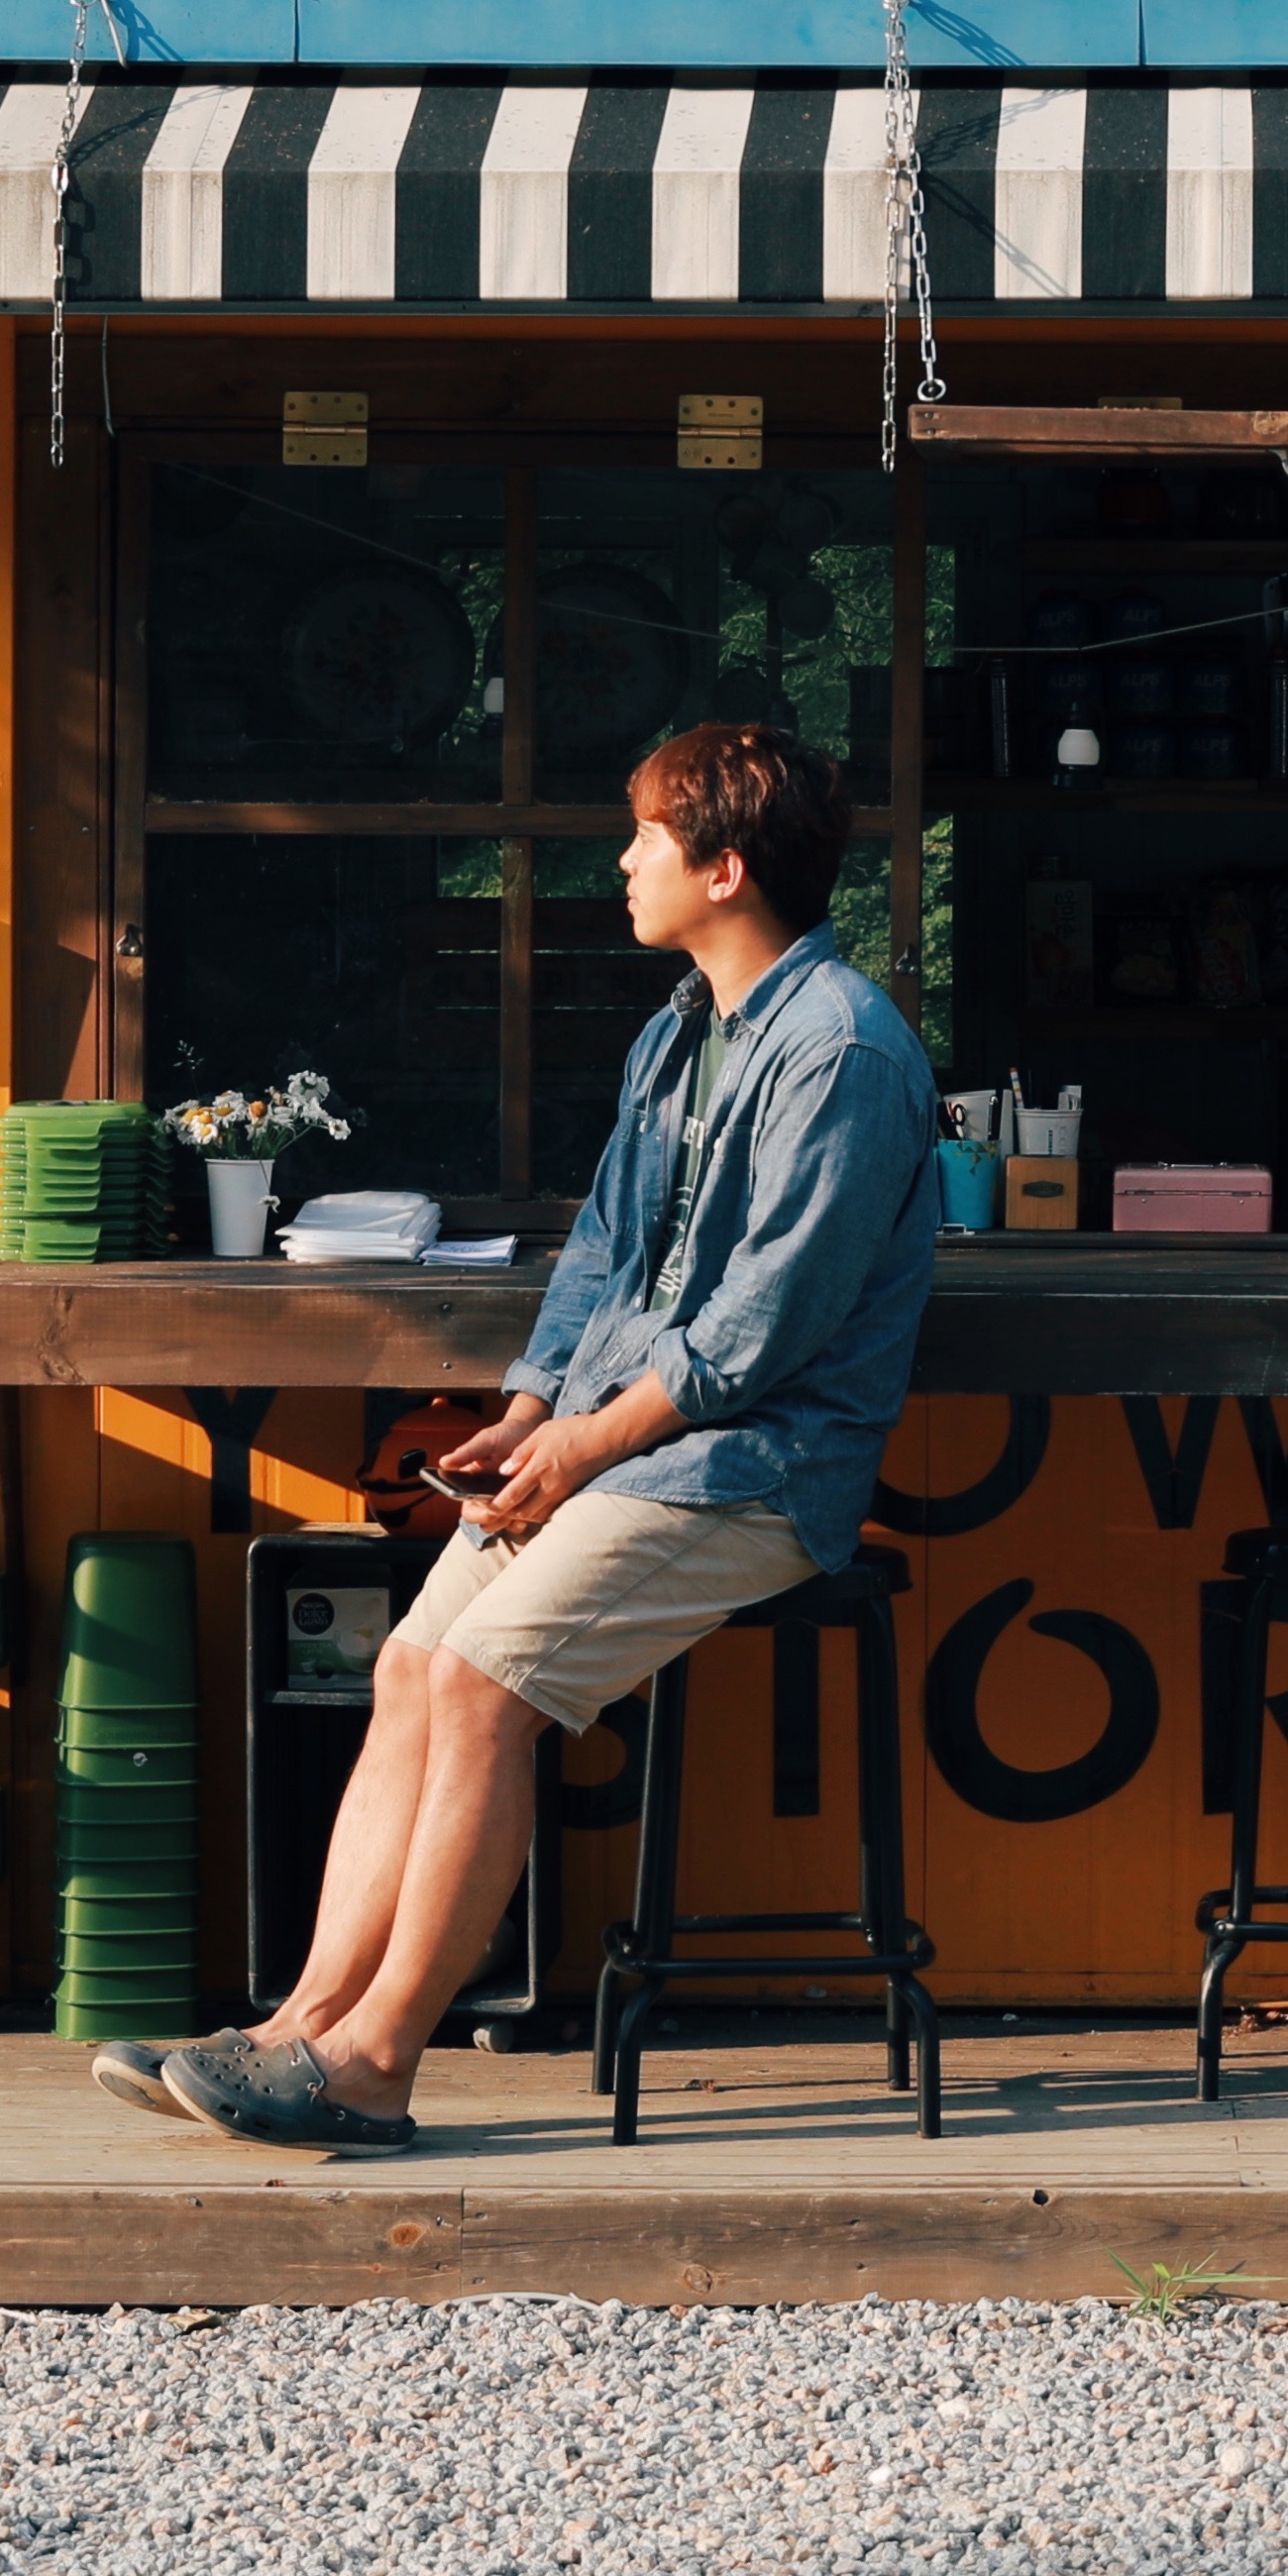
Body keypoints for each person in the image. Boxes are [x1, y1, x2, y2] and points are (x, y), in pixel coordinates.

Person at [104, 717, 938, 2151]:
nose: (620, 862)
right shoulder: (677, 1029)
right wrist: (528, 1412)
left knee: (485, 1684)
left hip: (751, 1468)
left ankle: (374, 2063)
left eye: (646, 840)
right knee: (413, 1665)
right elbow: (603, 1254)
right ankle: (291, 2026)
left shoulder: (843, 1052)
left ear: (724, 868)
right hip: (620, 1440)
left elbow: (760, 1333)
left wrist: (586, 1448)